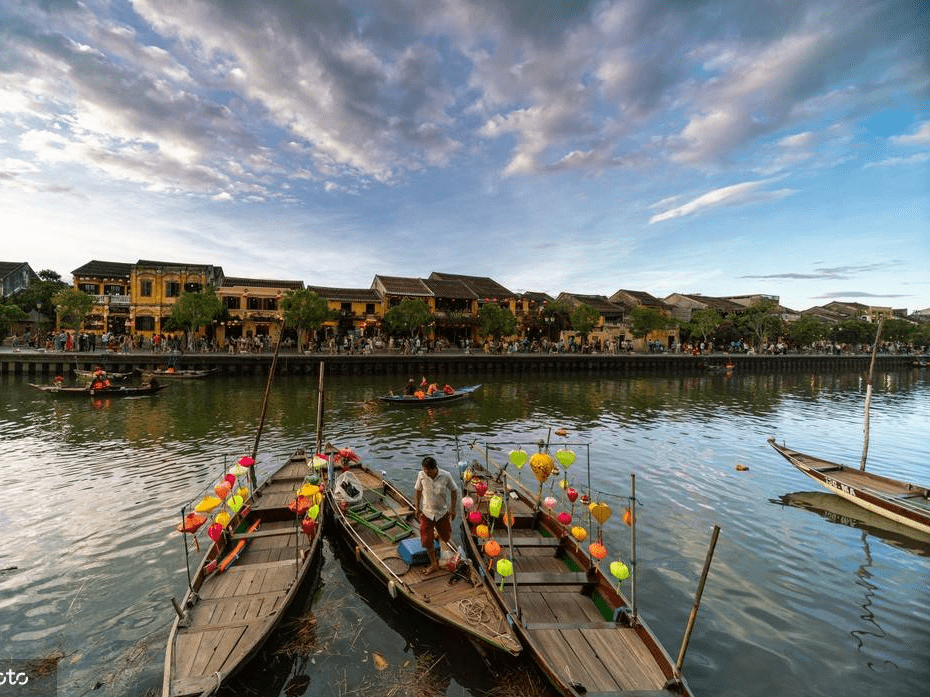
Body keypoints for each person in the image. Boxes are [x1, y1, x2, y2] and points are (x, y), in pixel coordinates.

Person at [414, 456, 459, 574]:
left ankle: (438, 536)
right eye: (424, 470)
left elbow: (454, 490)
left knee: (446, 537)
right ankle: (434, 564)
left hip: (442, 513)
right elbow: (418, 490)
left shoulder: (446, 475)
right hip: (427, 512)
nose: (426, 473)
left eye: (428, 470)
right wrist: (417, 507)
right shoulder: (421, 475)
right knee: (426, 540)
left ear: (435, 469)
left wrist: (453, 509)